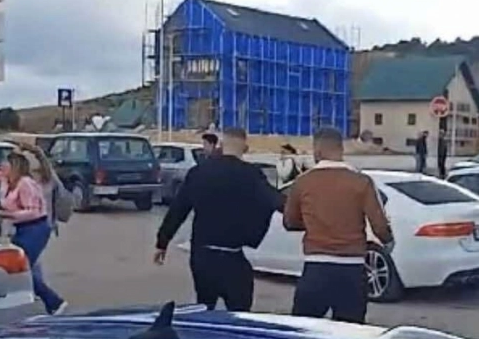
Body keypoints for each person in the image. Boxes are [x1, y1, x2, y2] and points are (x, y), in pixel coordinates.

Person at [155, 127, 284, 311]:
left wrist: (162, 241)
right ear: (245, 148)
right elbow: (275, 201)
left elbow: (178, 210)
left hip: (202, 256)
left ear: (221, 145)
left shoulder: (198, 172)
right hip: (232, 256)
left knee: (204, 307)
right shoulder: (251, 175)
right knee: (239, 312)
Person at [283, 126, 393, 323]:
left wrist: (314, 224)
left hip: (316, 268)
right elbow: (380, 226)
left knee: (304, 329)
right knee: (349, 332)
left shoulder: (302, 182)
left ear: (317, 151)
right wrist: (388, 241)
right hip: (352, 269)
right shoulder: (362, 182)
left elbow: (289, 222)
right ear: (341, 150)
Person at [0, 151, 67, 315]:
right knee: (26, 265)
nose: (1, 165)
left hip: (36, 228)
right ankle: (46, 300)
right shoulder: (5, 179)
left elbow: (34, 212)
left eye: (5, 163)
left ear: (14, 167)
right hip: (22, 228)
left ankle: (54, 302)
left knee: (22, 267)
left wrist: (6, 214)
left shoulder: (26, 183)